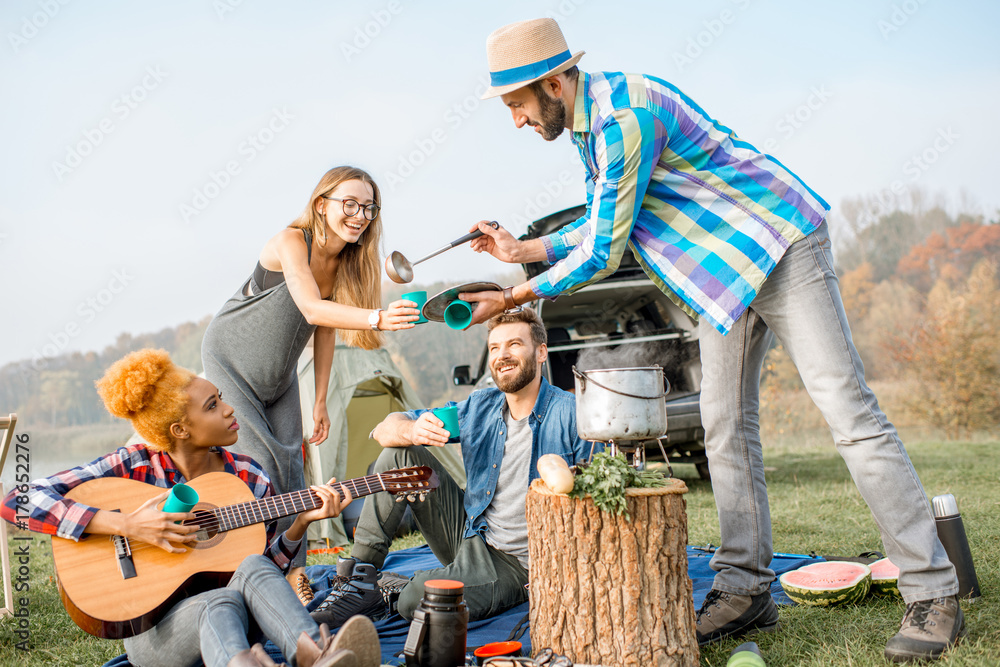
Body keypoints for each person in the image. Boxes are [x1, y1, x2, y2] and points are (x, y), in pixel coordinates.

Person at [460, 17, 963, 663]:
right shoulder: (589, 129)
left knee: (849, 413)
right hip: (719, 276)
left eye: (518, 104)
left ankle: (933, 589)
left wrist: (515, 295)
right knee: (724, 425)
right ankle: (743, 587)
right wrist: (522, 248)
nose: (517, 120)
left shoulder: (625, 118)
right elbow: (601, 214)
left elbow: (606, 249)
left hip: (778, 245)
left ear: (554, 82)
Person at [1, 349, 381, 667]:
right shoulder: (133, 464)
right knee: (216, 600)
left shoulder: (247, 476)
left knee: (249, 568)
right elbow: (13, 499)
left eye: (222, 397)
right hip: (157, 633)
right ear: (180, 429)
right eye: (214, 405)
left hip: (240, 619)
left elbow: (261, 566)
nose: (231, 410)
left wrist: (300, 524)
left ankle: (319, 655)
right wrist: (127, 525)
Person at [310, 308, 595, 626]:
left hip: (519, 563)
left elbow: (593, 504)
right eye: (495, 347)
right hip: (471, 533)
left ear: (541, 352)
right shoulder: (480, 406)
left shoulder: (572, 414)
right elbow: (384, 429)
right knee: (399, 454)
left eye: (514, 344)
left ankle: (393, 594)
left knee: (415, 597)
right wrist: (411, 431)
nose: (502, 355)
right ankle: (358, 584)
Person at [201, 166, 419, 578]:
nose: (359, 215)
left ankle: (293, 572)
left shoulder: (343, 264)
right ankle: (252, 573)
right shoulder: (290, 241)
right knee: (261, 466)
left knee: (292, 471)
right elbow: (310, 306)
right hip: (231, 359)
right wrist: (378, 318)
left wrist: (319, 399)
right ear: (322, 205)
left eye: (368, 208)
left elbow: (323, 328)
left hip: (280, 373)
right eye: (349, 204)